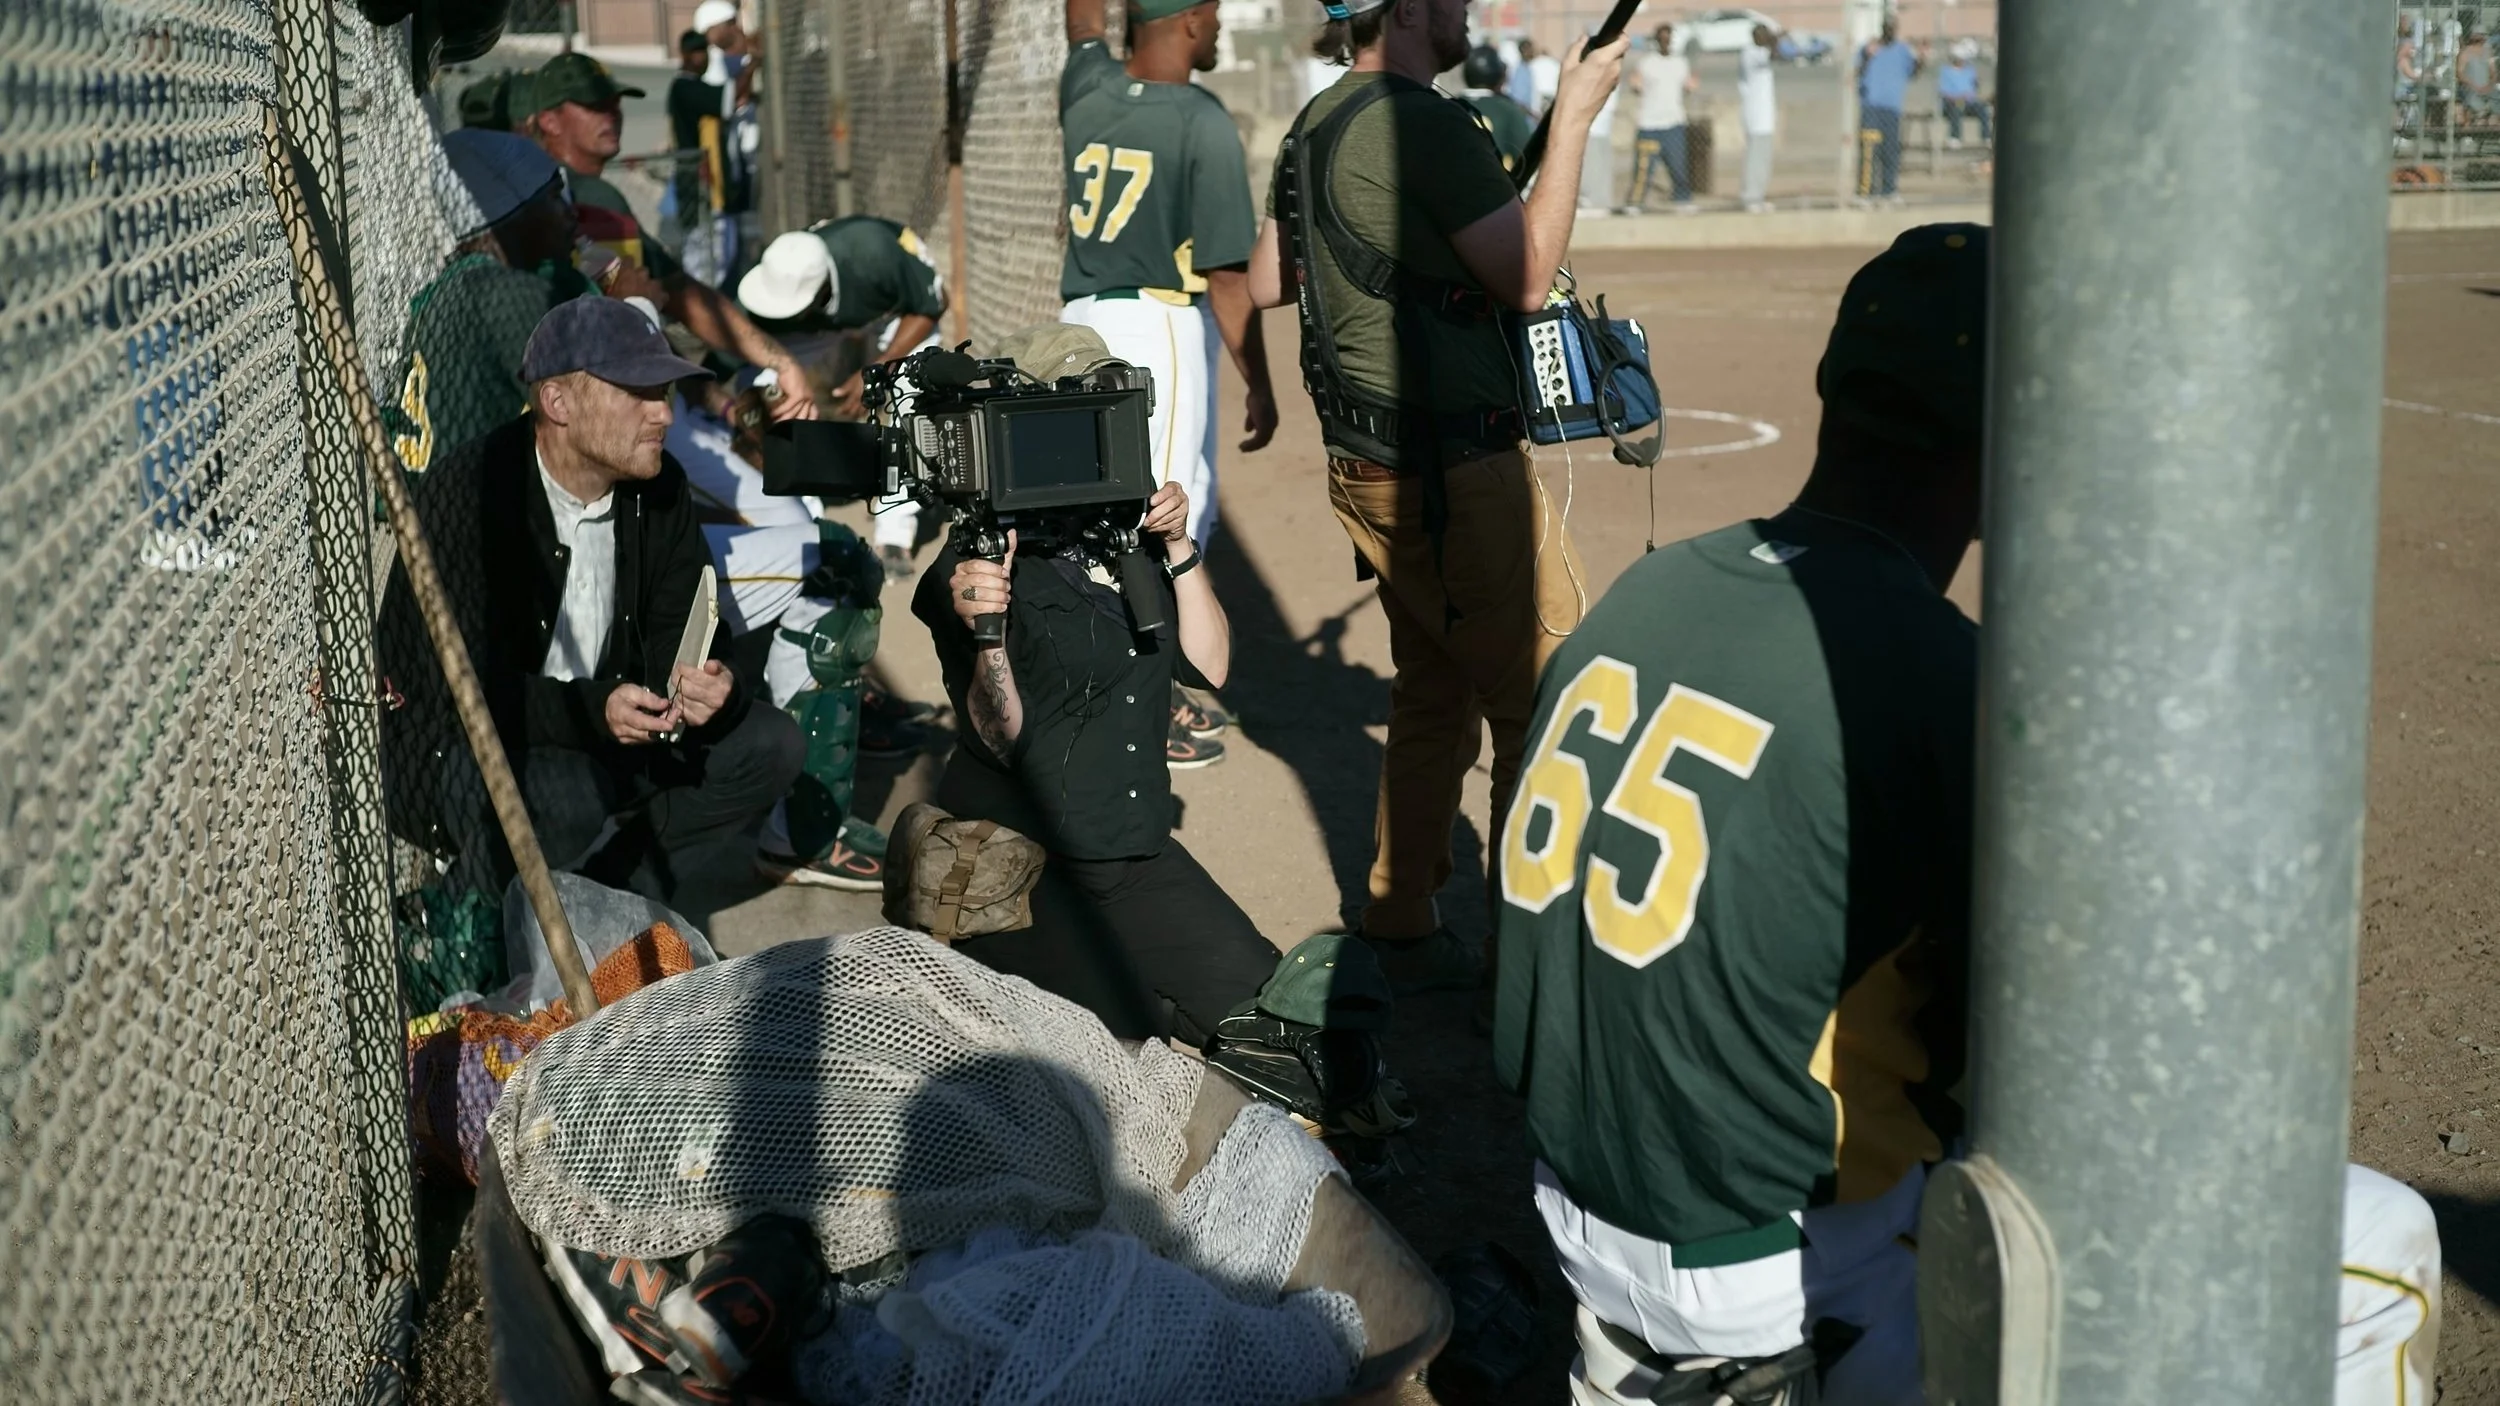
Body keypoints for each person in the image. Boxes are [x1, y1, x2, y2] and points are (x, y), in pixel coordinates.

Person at [1492, 225, 2443, 1406]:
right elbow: (2094, 1066)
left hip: (1588, 1223)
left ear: (1835, 386)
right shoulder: (1943, 679)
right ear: (2020, 439)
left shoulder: (1651, 588)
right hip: (1795, 1285)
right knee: (2376, 1244)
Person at [1245, 0, 1617, 993]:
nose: (1463, 10)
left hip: (1368, 464)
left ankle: (1399, 909)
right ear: (1406, 8)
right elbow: (1528, 277)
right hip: (1454, 471)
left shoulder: (1317, 120)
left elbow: (1270, 277)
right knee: (1541, 703)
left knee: (1434, 689)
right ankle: (1525, 966)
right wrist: (1574, 120)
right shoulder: (1424, 122)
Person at [378, 298, 804, 925]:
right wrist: (596, 710)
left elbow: (687, 624)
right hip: (456, 749)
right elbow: (464, 693)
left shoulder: (659, 488)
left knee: (771, 744)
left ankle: (604, 904)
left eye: (664, 392)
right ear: (558, 402)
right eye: (640, 393)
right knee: (573, 796)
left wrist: (716, 685)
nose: (664, 413)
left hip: (604, 732)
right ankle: (451, 921)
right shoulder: (473, 492)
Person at [911, 474, 1277, 1048]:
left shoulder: (1128, 539)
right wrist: (988, 633)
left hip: (1133, 851)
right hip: (1025, 867)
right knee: (1112, 1048)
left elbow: (1210, 668)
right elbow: (1001, 739)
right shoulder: (975, 562)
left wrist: (1178, 544)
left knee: (1272, 1018)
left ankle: (1140, 991)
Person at [1059, 0, 1280, 768]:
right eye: (1212, 13)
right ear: (1187, 21)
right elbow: (1228, 279)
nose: (1217, 26)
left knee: (1097, 509)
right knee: (1166, 512)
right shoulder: (1200, 119)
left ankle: (1115, 683)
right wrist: (1261, 383)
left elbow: (1082, 26)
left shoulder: (1087, 83)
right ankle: (1143, 703)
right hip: (1156, 327)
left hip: (1079, 324)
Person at [520, 52, 818, 416]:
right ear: (549, 120)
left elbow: (676, 293)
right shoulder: (579, 196)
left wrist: (728, 395)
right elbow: (666, 304)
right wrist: (780, 363)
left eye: (615, 103)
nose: (613, 114)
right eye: (595, 105)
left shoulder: (581, 192)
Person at [736, 219, 950, 578]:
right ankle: (802, 523)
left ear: (820, 293)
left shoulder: (874, 256)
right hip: (818, 324)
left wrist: (879, 368)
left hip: (891, 312)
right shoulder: (773, 282)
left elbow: (932, 305)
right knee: (762, 390)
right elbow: (728, 356)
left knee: (915, 388)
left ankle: (895, 531)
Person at [389, 128, 599, 478]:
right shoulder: (505, 293)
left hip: (441, 499)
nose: (570, 214)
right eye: (553, 198)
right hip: (473, 505)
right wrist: (639, 310)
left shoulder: (458, 286)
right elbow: (596, 423)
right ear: (513, 215)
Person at [1627, 24, 1698, 211]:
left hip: (1673, 123)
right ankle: (1636, 202)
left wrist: (1691, 85)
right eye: (1662, 39)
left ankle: (1682, 199)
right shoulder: (1647, 63)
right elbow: (1636, 86)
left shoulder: (1680, 63)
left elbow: (1687, 87)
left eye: (1668, 39)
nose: (1665, 43)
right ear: (1657, 41)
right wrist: (1636, 85)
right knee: (1643, 169)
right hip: (1649, 124)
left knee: (1678, 166)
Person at [1855, 18, 1919, 203]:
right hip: (1871, 106)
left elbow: (1912, 72)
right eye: (1886, 28)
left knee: (1890, 150)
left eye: (1892, 28)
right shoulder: (1870, 48)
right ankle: (1865, 192)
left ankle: (1889, 190)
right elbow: (1856, 71)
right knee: (1869, 150)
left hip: (1892, 107)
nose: (1889, 31)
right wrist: (1867, 56)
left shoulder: (1902, 50)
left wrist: (1921, 59)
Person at [1458, 45, 1536, 173]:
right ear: (1499, 74)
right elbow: (1526, 157)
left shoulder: (1449, 104)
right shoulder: (1508, 109)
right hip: (1497, 183)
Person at [1739, 23, 1780, 213]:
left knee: (1764, 159)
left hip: (1766, 117)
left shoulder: (1762, 52)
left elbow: (1778, 56)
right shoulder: (1750, 53)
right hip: (1755, 116)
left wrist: (1776, 41)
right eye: (1764, 35)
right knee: (1754, 159)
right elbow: (1771, 56)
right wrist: (1776, 39)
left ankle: (1759, 195)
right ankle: (1750, 197)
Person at [1935, 42, 1989, 148]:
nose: (1961, 61)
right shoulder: (1945, 71)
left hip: (1968, 102)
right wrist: (1956, 98)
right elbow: (1943, 92)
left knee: (1983, 109)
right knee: (1956, 108)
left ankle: (1986, 136)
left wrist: (1975, 87)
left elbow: (1973, 89)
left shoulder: (1970, 71)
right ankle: (1955, 137)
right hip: (1952, 102)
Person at [1506, 37, 1543, 114]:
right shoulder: (1520, 71)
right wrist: (1532, 114)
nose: (1533, 52)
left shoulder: (1528, 68)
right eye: (1530, 50)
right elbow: (1518, 99)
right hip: (1524, 114)